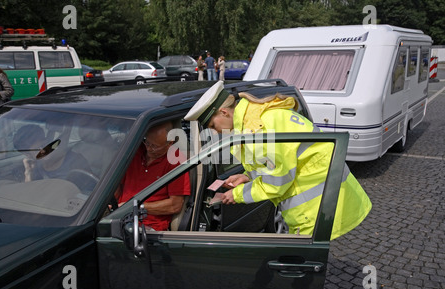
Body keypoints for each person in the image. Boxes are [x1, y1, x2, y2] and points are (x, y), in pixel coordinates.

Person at [184, 81, 371, 240]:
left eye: (212, 125)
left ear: (224, 112)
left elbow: (276, 181)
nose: (215, 132)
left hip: (320, 207)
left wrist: (237, 195)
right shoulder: (256, 118)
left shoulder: (258, 129)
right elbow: (275, 165)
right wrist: (247, 176)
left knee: (303, 271)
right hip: (328, 197)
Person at [117, 121, 191, 231]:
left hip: (147, 226)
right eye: (147, 143)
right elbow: (116, 185)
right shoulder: (134, 151)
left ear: (169, 143)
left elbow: (175, 205)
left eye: (155, 146)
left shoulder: (176, 160)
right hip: (118, 217)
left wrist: (135, 207)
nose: (149, 149)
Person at [13, 124, 94, 185]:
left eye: (43, 145)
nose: (44, 150)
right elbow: (29, 193)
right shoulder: (34, 169)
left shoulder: (75, 160)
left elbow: (90, 190)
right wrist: (29, 173)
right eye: (37, 150)